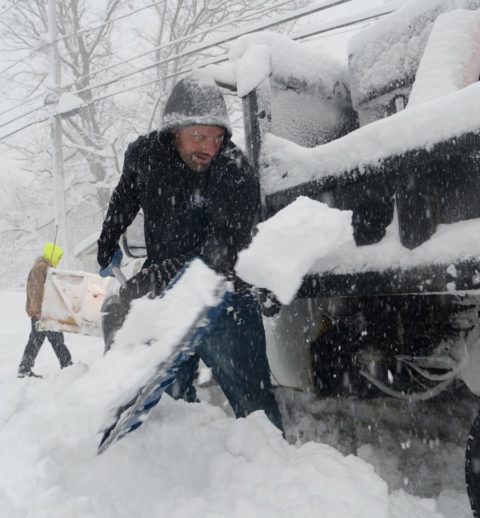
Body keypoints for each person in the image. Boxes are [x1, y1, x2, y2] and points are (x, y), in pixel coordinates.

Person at [96, 75, 284, 431]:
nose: (209, 148)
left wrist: (159, 275)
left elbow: (227, 246)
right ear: (173, 130)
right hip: (165, 302)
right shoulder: (144, 156)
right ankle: (181, 462)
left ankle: (273, 467)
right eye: (199, 136)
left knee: (254, 405)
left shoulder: (234, 170)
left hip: (223, 297)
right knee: (172, 408)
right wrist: (107, 243)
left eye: (216, 137)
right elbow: (124, 198)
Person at [18, 242, 73, 378]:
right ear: (51, 254)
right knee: (56, 339)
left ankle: (24, 368)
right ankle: (67, 364)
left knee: (37, 340)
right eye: (58, 257)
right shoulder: (41, 267)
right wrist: (38, 311)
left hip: (44, 311)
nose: (59, 260)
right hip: (43, 312)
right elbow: (36, 290)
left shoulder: (45, 267)